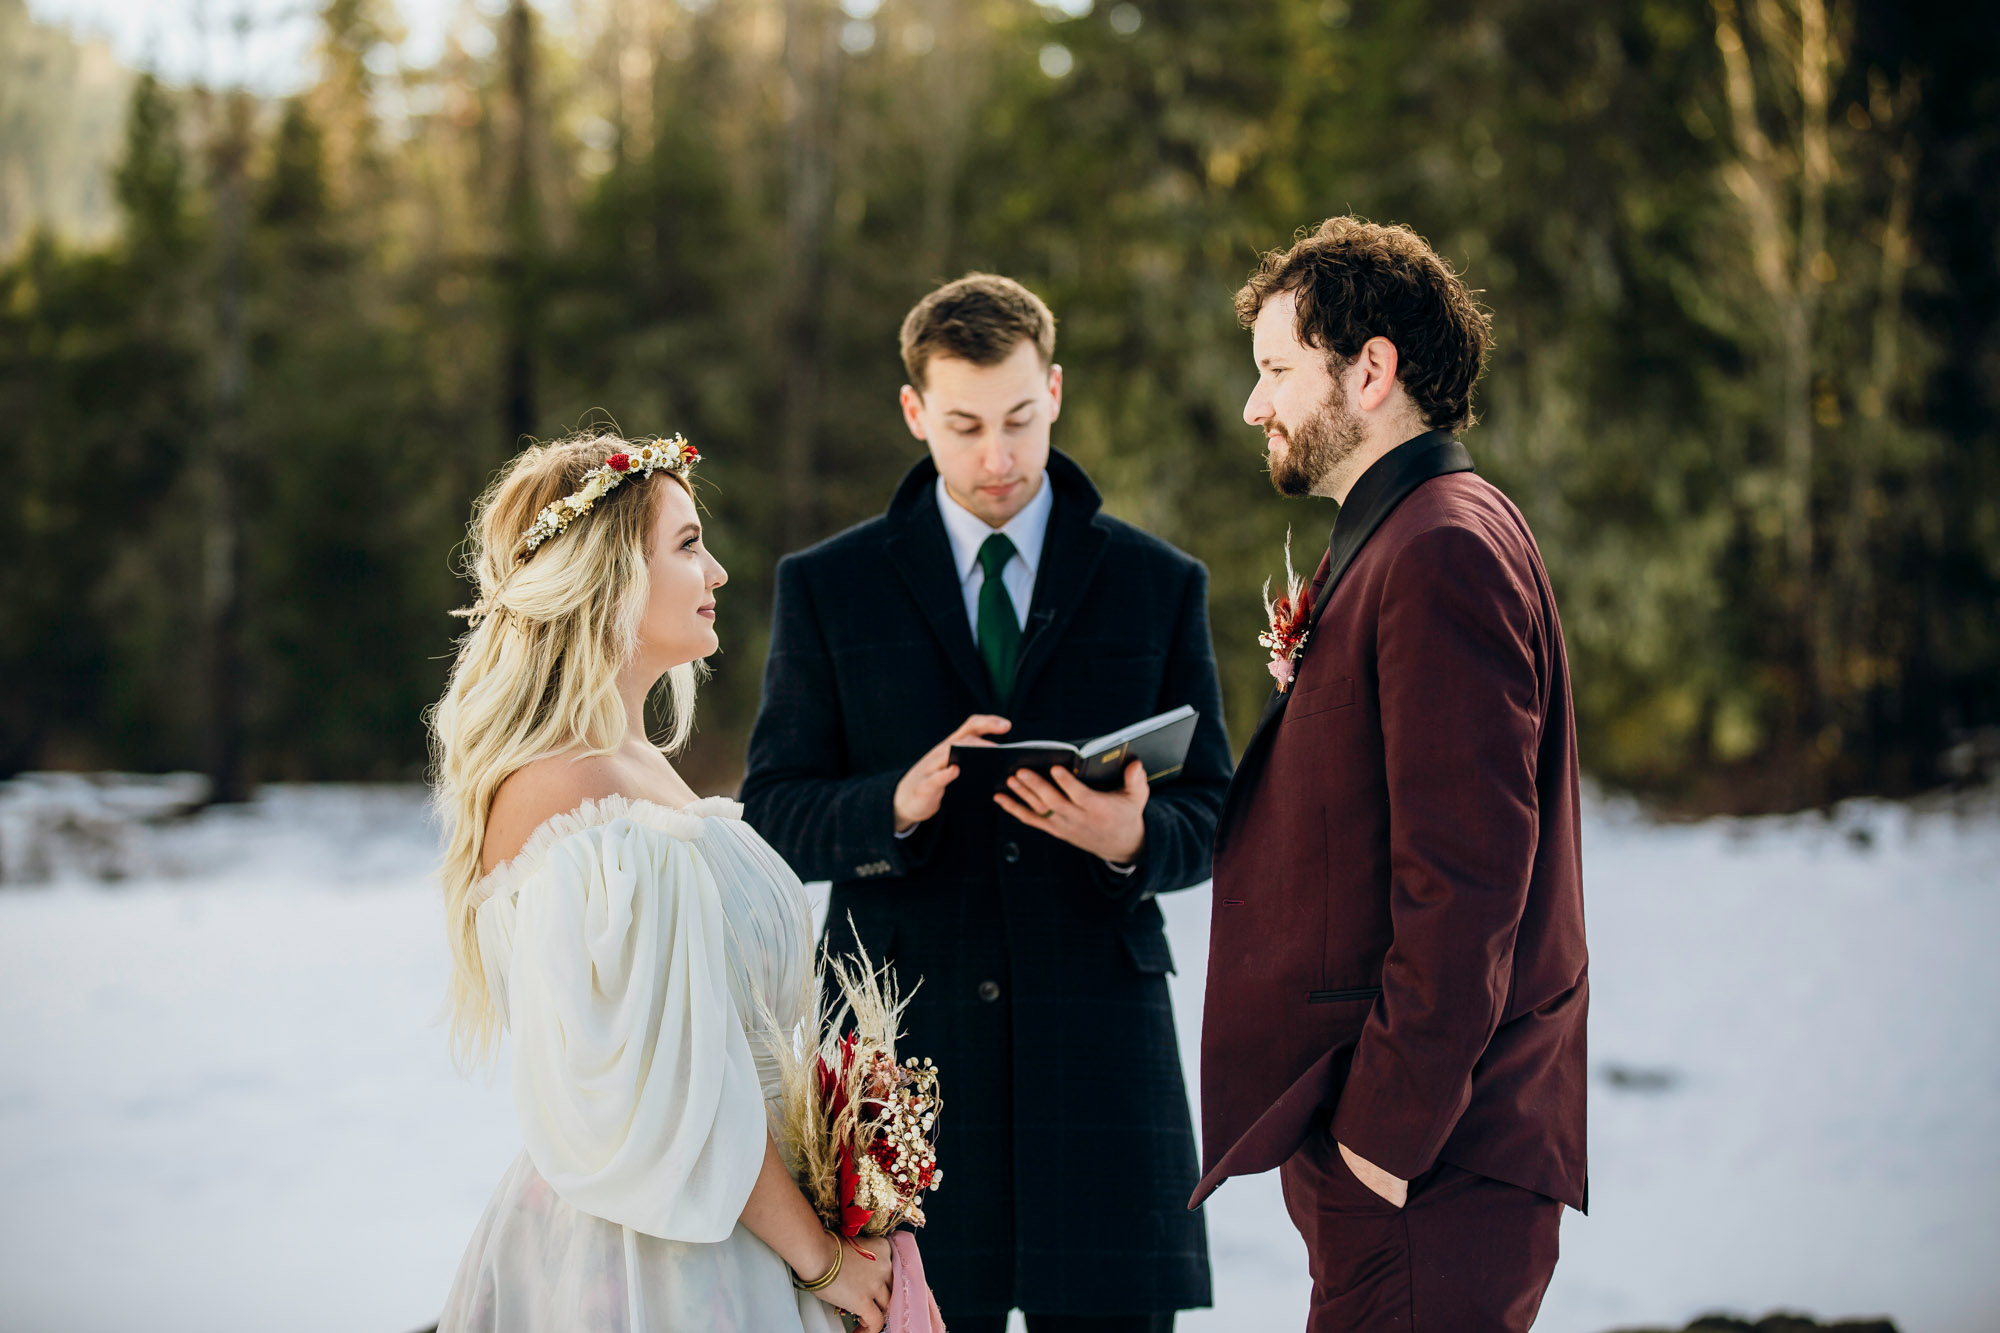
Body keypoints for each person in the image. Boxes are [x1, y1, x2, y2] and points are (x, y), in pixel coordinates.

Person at [741, 274, 1228, 1333]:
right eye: (963, 426)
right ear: (914, 412)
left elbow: (1216, 812)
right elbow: (773, 810)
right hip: (901, 1067)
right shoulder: (828, 587)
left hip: (1098, 1065)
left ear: (1053, 390)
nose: (996, 457)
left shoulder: (1158, 584)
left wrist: (1134, 835)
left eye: (1018, 419)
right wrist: (893, 806)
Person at [1195, 218, 1590, 1332]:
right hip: (1421, 1162)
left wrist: (1378, 1136)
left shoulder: (1439, 548)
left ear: (1370, 370)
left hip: (1432, 1163)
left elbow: (1466, 885)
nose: (1252, 405)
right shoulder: (1424, 526)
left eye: (1275, 370)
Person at [427, 431, 894, 1333]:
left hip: (750, 1222)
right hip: (655, 1256)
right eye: (686, 545)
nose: (716, 572)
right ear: (604, 579)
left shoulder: (639, 768)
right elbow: (671, 1087)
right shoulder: (569, 791)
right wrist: (823, 1260)